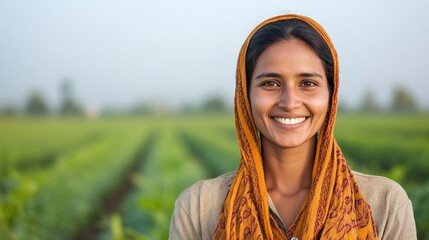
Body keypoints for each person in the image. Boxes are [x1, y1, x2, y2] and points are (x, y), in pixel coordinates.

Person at [169, 14, 417, 240]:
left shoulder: (384, 204)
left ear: (331, 94)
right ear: (245, 95)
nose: (289, 102)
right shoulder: (199, 207)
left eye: (308, 83)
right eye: (270, 83)